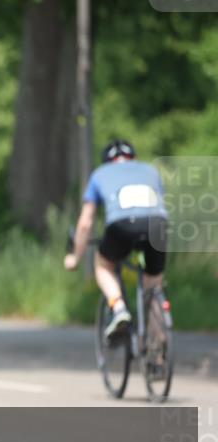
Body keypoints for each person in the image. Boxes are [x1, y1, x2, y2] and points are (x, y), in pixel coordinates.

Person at [64, 139, 168, 342]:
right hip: (157, 225)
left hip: (122, 225)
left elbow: (85, 222)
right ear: (133, 158)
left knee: (103, 266)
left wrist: (75, 258)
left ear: (107, 161)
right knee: (154, 284)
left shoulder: (100, 174)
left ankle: (119, 308)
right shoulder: (150, 170)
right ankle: (158, 351)